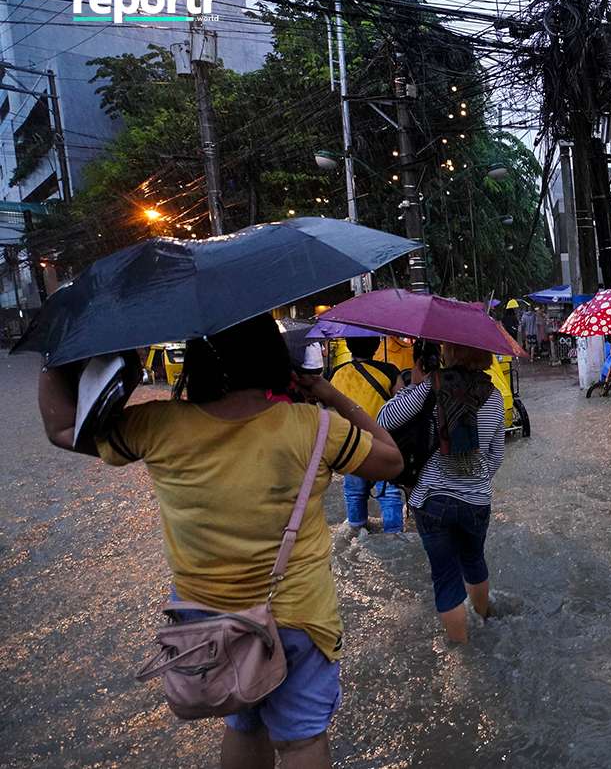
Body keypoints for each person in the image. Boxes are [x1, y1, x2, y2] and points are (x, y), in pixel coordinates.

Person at [37, 313, 402, 768]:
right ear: (273, 358)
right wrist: (329, 395)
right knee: (302, 741)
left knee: (243, 722)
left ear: (196, 363)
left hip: (207, 620)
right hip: (299, 617)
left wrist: (55, 357)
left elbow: (61, 430)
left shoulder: (157, 425)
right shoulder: (314, 427)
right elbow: (392, 460)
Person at [378, 341, 507, 644]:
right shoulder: (495, 397)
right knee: (474, 561)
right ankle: (485, 621)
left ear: (449, 353)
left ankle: (462, 651)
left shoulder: (430, 388)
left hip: (432, 500)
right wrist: (474, 479)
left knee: (446, 577)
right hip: (476, 501)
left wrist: (416, 384)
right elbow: (496, 455)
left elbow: (383, 421)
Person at [327, 336, 404, 534]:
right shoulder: (389, 371)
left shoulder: (337, 373)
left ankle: (355, 531)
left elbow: (329, 408)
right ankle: (393, 534)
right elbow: (402, 406)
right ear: (377, 345)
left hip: (351, 443)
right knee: (389, 494)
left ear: (350, 346)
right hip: (384, 442)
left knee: (354, 493)